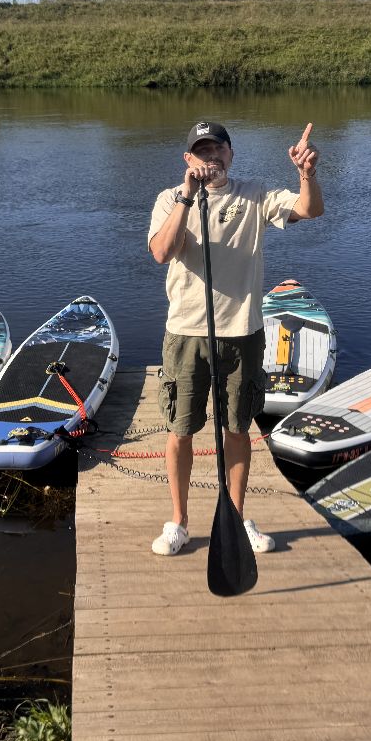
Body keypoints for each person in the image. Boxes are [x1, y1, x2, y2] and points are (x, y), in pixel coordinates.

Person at [145, 120, 324, 556]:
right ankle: (180, 521)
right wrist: (188, 197)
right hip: (186, 332)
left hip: (242, 333)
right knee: (181, 429)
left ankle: (238, 515)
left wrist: (307, 174)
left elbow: (310, 209)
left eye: (217, 150)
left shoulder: (255, 194)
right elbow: (161, 253)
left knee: (237, 428)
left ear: (231, 154)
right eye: (201, 152)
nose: (211, 159)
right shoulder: (171, 198)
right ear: (188, 160)